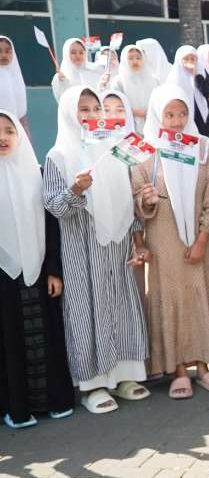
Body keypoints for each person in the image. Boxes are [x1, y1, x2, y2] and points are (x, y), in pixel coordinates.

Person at [43, 88, 150, 414]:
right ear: (67, 113)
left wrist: (139, 240)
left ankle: (126, 377)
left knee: (121, 308)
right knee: (87, 312)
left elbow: (126, 204)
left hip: (116, 248)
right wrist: (76, 189)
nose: (90, 115)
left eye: (94, 109)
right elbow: (54, 206)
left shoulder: (114, 152)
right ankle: (93, 385)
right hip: (81, 252)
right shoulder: (57, 157)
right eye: (82, 109)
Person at [132, 85, 209, 399]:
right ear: (158, 115)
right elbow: (139, 203)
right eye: (170, 114)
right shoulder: (146, 152)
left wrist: (204, 236)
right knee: (171, 299)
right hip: (164, 240)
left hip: (200, 241)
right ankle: (177, 369)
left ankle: (203, 367)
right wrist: (145, 200)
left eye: (182, 113)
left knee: (201, 294)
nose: (176, 121)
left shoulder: (203, 148)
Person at [0, 110, 73, 428]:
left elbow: (51, 226)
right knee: (9, 341)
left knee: (44, 336)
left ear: (20, 136)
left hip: (40, 271)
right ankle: (17, 408)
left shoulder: (36, 173)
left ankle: (53, 401)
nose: (3, 137)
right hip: (3, 277)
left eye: (8, 131)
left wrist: (54, 270)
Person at [114, 45, 159, 134]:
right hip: (128, 123)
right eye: (130, 58)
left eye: (138, 58)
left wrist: (150, 112)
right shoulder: (119, 81)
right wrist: (133, 112)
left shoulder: (154, 80)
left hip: (151, 121)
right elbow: (115, 102)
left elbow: (160, 99)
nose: (135, 61)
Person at [0, 36, 30, 135]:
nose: (4, 55)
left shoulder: (16, 77)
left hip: (15, 126)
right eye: (0, 51)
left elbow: (21, 109)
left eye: (8, 51)